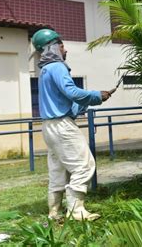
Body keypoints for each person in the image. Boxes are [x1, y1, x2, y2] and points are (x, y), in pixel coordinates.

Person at [32, 28, 111, 221]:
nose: (64, 49)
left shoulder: (45, 70)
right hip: (61, 126)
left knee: (58, 169)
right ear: (52, 47)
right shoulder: (57, 66)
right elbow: (72, 92)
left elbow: (66, 101)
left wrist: (86, 102)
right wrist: (96, 96)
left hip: (49, 126)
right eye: (61, 45)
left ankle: (54, 212)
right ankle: (76, 211)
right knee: (84, 165)